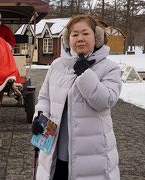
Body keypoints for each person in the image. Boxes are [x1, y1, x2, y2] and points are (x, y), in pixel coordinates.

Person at [32, 14, 122, 180]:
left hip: (93, 158)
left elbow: (105, 101)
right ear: (68, 39)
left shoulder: (110, 68)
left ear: (97, 37)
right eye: (75, 34)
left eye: (85, 33)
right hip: (55, 153)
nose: (80, 38)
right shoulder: (57, 66)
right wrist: (39, 117)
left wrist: (84, 73)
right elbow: (45, 99)